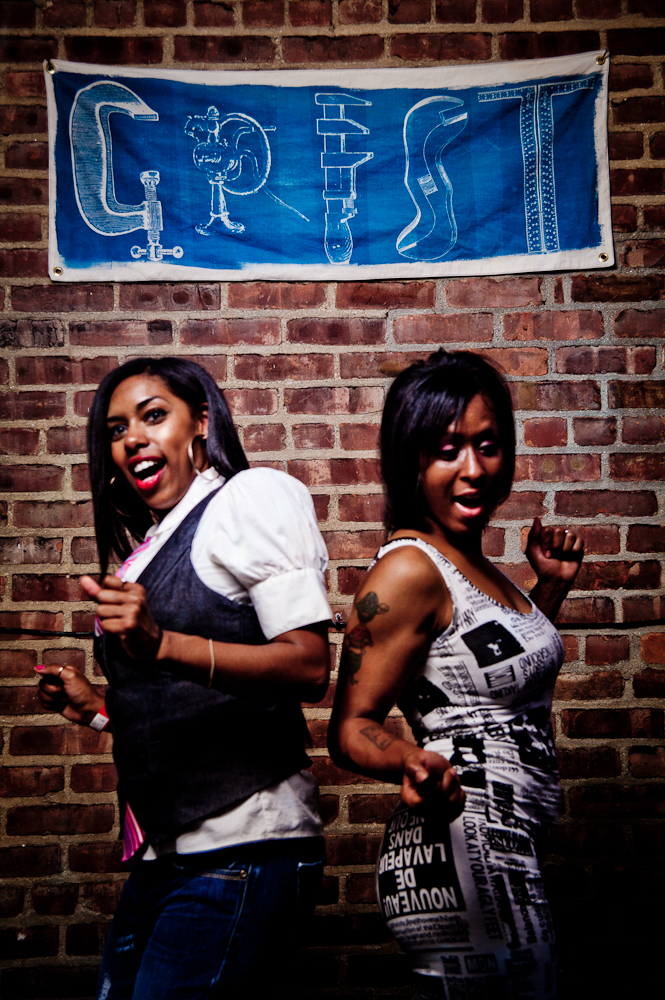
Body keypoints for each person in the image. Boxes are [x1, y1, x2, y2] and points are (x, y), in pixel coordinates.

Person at [36, 357, 332, 1000]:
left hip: (244, 845)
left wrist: (161, 643)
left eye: (153, 416)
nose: (132, 439)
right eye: (117, 429)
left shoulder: (247, 499)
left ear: (200, 422)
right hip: (165, 856)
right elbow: (179, 703)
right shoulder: (152, 546)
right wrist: (97, 710)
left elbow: (308, 665)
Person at [328, 350, 583, 1000]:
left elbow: (489, 687)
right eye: (447, 451)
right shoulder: (408, 570)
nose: (473, 469)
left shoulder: (470, 563)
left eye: (488, 446)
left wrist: (546, 593)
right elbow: (350, 728)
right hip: (463, 842)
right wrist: (409, 760)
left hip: (510, 842)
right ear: (410, 460)